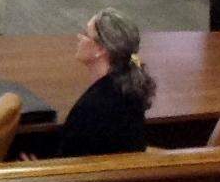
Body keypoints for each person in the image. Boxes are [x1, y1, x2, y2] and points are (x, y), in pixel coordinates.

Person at [24, 8, 154, 159]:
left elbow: (70, 161)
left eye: (86, 34)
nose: (79, 37)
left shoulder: (93, 106)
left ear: (101, 49)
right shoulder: (129, 88)